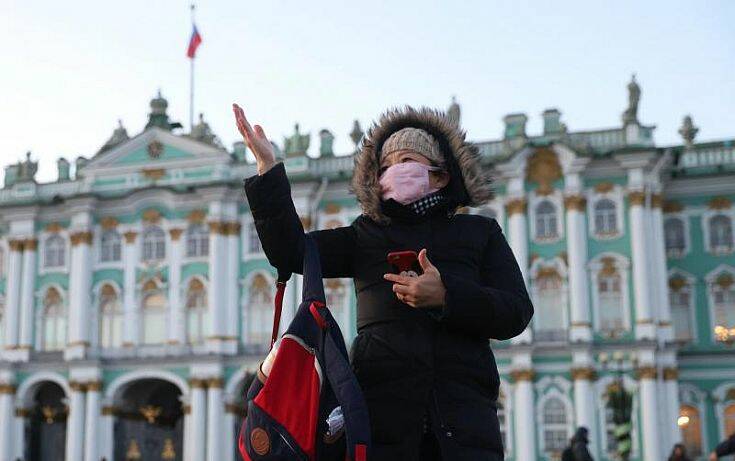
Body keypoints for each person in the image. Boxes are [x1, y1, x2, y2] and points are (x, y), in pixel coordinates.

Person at [233, 103, 534, 460]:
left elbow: (516, 311)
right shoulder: (366, 236)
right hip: (383, 425)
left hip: (465, 426)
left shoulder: (480, 232)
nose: (394, 171)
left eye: (406, 160)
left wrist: (446, 296)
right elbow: (291, 251)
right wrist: (268, 172)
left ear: (440, 175)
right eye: (386, 166)